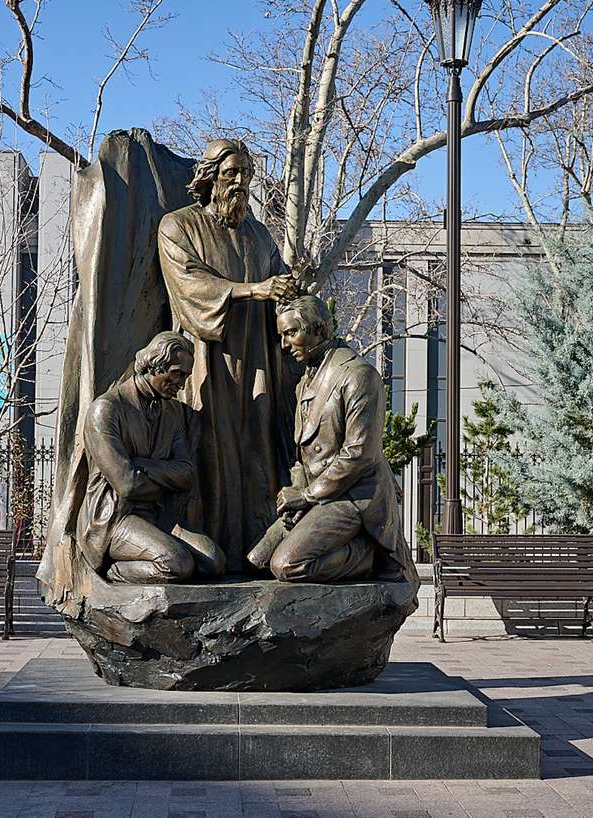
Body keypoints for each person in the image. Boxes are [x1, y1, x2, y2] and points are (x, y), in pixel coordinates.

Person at [157, 138, 298, 569]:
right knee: (212, 451)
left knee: (258, 449)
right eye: (232, 172)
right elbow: (190, 286)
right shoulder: (178, 226)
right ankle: (211, 554)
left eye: (247, 174)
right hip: (208, 357)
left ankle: (255, 555)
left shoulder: (257, 234)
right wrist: (253, 290)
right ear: (210, 176)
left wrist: (293, 286)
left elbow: (279, 279)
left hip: (257, 359)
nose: (241, 182)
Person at [247, 296, 418, 586]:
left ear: (320, 330)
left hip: (354, 496)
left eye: (291, 333)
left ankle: (374, 554)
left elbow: (359, 454)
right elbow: (306, 453)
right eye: (282, 336)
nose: (285, 344)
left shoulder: (359, 376)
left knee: (287, 565)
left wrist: (308, 496)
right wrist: (299, 497)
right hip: (320, 495)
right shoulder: (306, 380)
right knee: (256, 560)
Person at [78, 331, 226, 583]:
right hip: (115, 519)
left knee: (214, 561)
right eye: (176, 373)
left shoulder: (172, 413)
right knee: (176, 563)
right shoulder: (107, 409)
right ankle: (110, 572)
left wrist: (142, 466)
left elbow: (187, 474)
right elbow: (127, 485)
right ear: (153, 365)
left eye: (186, 376)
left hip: (158, 516)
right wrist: (164, 476)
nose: (181, 384)